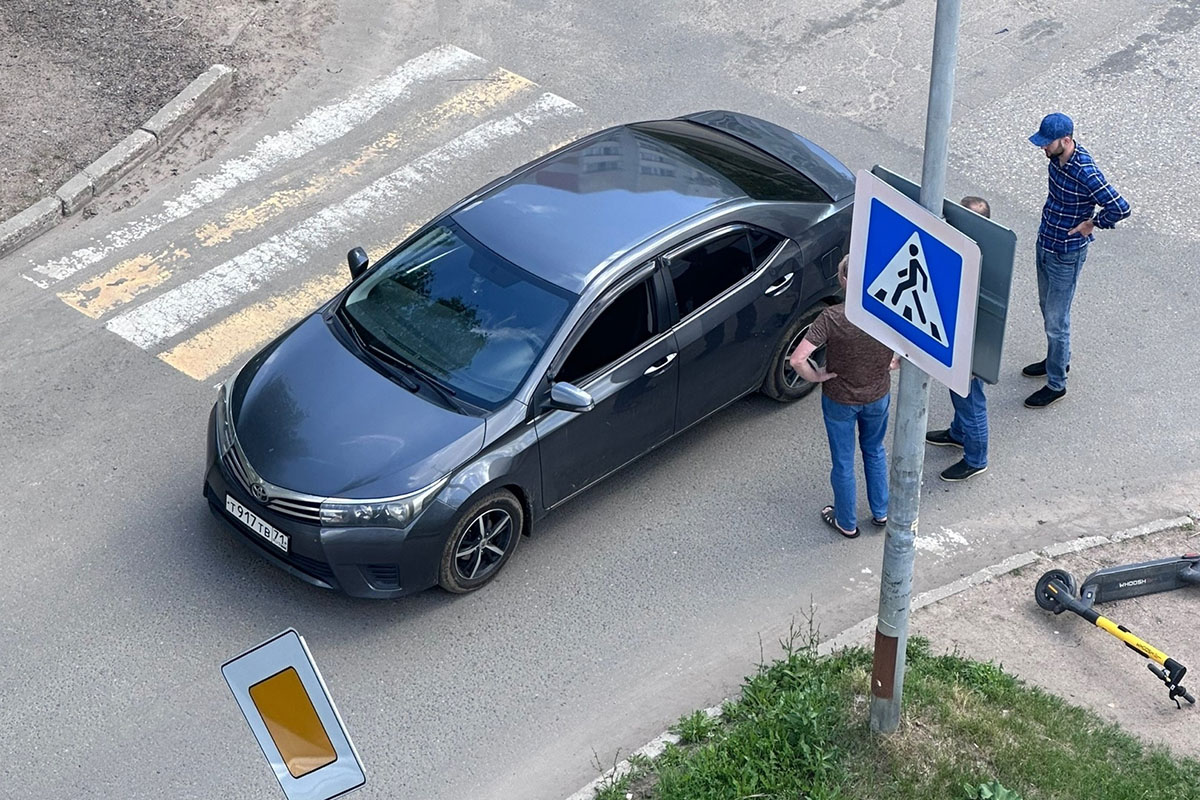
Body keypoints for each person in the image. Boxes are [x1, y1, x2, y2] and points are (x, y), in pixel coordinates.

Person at [1024, 112, 1130, 408]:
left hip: (1066, 253)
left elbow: (1120, 207)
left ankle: (1057, 383)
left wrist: (1093, 224)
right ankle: (1057, 358)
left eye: (1048, 143)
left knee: (1057, 322)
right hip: (1046, 240)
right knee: (1047, 308)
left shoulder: (1085, 170)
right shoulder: (1055, 159)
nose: (1043, 149)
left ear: (1066, 140)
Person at [790, 256, 896, 538]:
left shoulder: (833, 317)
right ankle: (882, 511)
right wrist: (891, 362)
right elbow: (906, 348)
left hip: (840, 399)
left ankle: (846, 522)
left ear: (844, 281)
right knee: (874, 450)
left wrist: (817, 376)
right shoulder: (887, 309)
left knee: (844, 461)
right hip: (877, 394)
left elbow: (798, 360)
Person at [925, 196, 992, 482]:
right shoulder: (969, 249)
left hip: (969, 341)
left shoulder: (980, 256)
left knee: (969, 398)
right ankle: (958, 433)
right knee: (959, 391)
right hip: (957, 336)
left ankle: (976, 458)